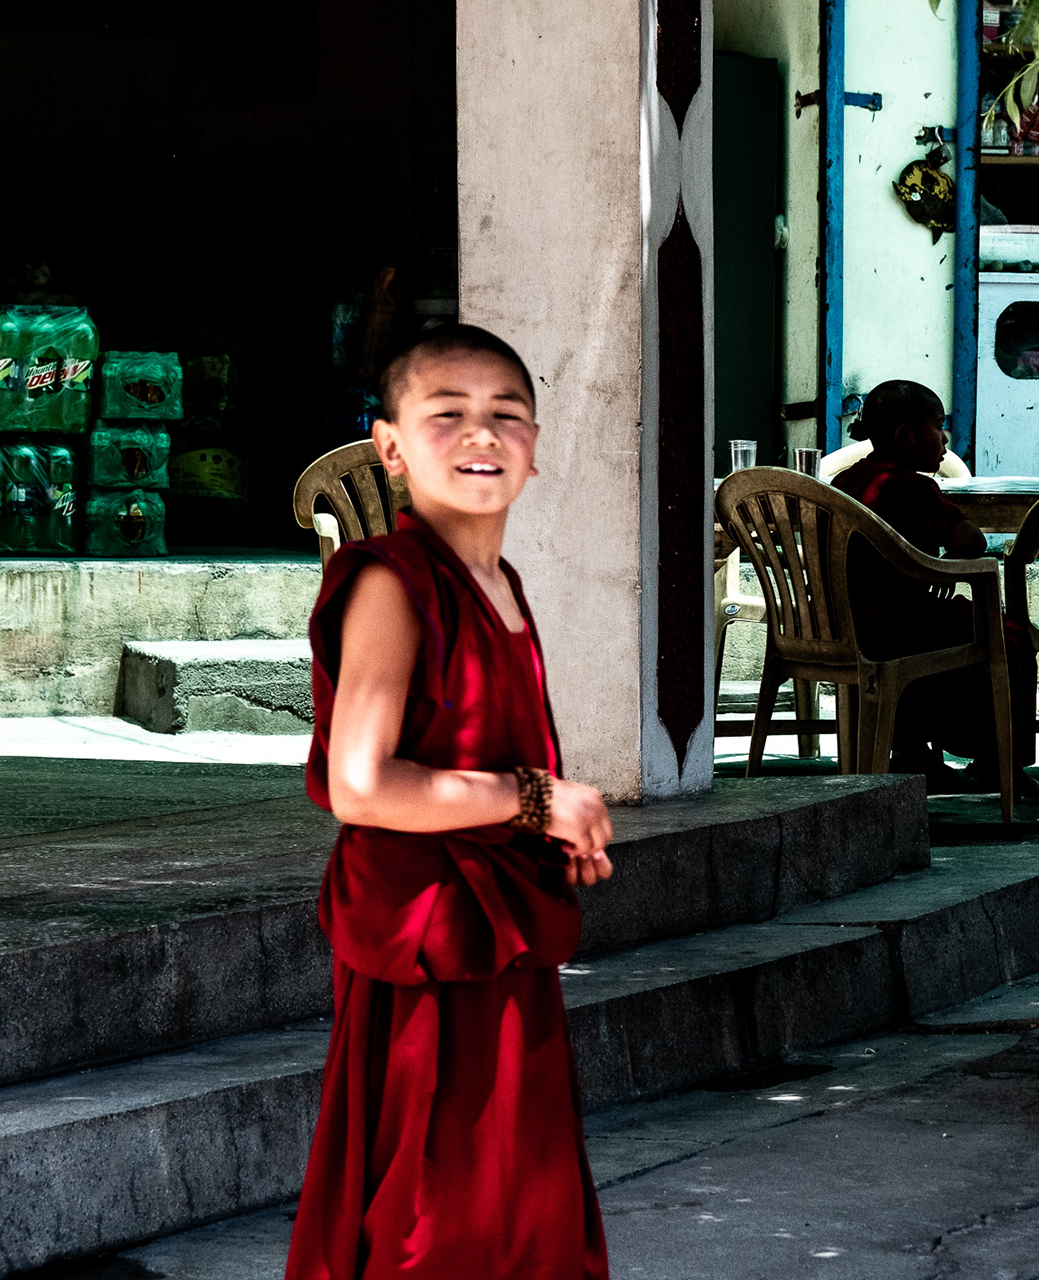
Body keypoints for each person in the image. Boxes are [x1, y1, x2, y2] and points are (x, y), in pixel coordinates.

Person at [285, 324, 614, 1280]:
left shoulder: (501, 584)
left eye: (507, 415)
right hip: (427, 941)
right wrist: (535, 801)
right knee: (434, 1215)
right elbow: (361, 784)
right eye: (447, 414)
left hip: (501, 932)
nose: (481, 434)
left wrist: (549, 822)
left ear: (535, 448)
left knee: (519, 1206)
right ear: (390, 447)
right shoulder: (390, 582)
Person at [830, 380, 1038, 796]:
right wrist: (947, 559)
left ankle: (911, 752)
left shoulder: (845, 481)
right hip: (894, 629)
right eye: (938, 425)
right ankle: (1000, 762)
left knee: (942, 621)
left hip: (846, 625)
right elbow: (972, 542)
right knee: (1010, 637)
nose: (945, 439)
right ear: (905, 435)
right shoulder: (913, 486)